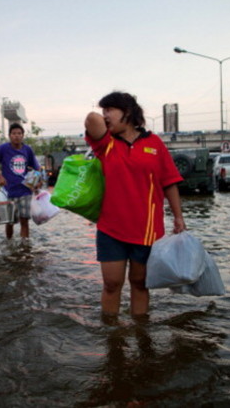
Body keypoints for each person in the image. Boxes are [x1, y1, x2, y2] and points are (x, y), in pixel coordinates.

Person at [84, 91, 187, 319]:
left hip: (147, 230)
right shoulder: (105, 144)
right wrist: (107, 116)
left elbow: (169, 182)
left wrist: (178, 217)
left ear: (127, 112)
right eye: (104, 111)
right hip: (111, 229)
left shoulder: (154, 143)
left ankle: (141, 331)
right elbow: (91, 119)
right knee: (111, 284)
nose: (105, 116)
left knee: (140, 284)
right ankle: (112, 335)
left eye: (110, 110)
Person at [0, 122, 40, 240]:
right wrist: (0, 177)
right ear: (9, 135)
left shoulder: (27, 150)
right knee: (9, 221)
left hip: (25, 191)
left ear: (23, 135)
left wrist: (35, 181)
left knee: (24, 221)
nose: (16, 136)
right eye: (13, 133)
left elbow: (37, 167)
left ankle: (24, 245)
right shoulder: (3, 149)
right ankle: (9, 243)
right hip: (9, 191)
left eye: (19, 133)